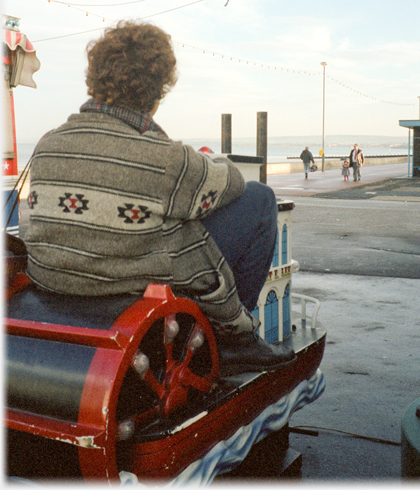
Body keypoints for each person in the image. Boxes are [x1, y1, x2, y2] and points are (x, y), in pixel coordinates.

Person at [25, 20, 294, 376]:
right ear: (158, 89)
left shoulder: (47, 144)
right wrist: (206, 159)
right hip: (129, 289)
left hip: (56, 284)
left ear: (95, 80)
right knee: (260, 199)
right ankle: (229, 340)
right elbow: (231, 184)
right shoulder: (166, 160)